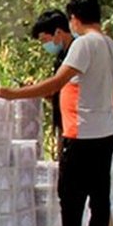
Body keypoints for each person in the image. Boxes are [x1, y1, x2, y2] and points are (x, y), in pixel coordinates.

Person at [0, 0, 113, 226]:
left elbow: (57, 84)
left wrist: (13, 94)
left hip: (81, 132)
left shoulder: (83, 45)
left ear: (75, 19)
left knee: (71, 195)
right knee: (100, 195)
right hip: (106, 130)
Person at [30, 9, 71, 140]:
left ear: (58, 32)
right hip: (63, 123)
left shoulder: (76, 54)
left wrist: (17, 93)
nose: (45, 45)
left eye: (45, 40)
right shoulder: (60, 57)